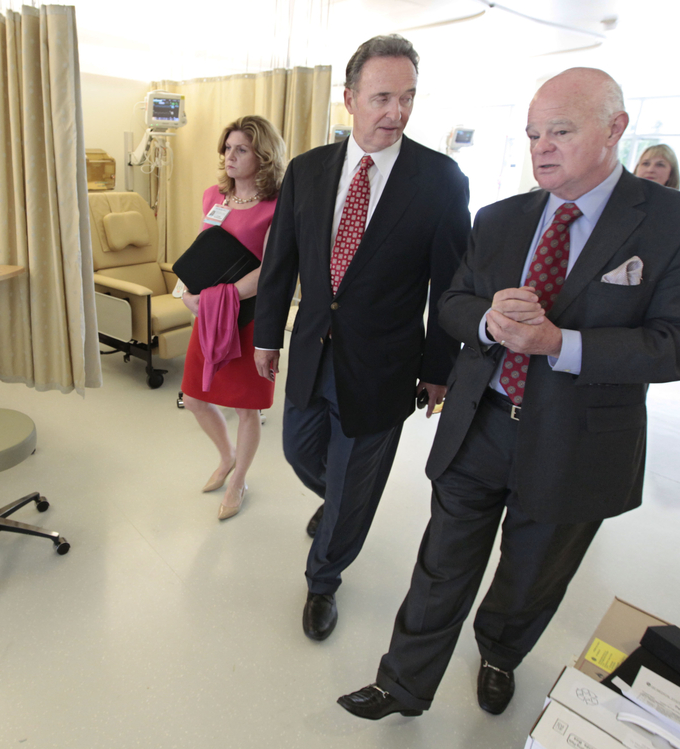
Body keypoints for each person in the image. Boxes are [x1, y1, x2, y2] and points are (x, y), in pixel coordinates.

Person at [338, 67, 680, 721]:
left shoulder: (678, 223)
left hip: (577, 437)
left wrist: (559, 343)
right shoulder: (500, 219)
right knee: (441, 562)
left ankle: (499, 653)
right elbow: (454, 301)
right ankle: (402, 683)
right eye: (532, 134)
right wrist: (489, 322)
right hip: (480, 420)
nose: (541, 148)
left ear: (614, 129)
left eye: (560, 132)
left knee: (532, 572)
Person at [252, 35, 471, 642]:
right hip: (312, 350)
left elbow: (449, 286)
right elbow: (280, 262)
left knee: (352, 480)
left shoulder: (440, 180)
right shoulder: (308, 171)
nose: (396, 112)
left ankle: (323, 580)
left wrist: (440, 369)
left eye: (408, 98)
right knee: (300, 452)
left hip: (385, 365)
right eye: (382, 98)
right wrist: (267, 337)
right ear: (349, 99)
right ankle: (346, 504)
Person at [180, 115, 286, 521]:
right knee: (194, 398)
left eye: (241, 149)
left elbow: (270, 270)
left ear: (263, 155)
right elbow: (202, 251)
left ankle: (239, 480)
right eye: (227, 148)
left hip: (252, 319)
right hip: (210, 317)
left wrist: (216, 298)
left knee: (247, 409)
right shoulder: (213, 197)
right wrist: (187, 294)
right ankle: (226, 456)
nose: (230, 156)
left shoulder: (275, 207)